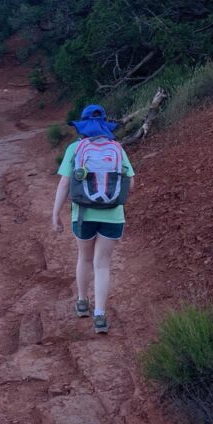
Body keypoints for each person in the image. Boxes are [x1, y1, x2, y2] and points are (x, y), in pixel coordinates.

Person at [51, 104, 135, 334]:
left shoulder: (75, 148)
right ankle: (100, 316)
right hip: (113, 215)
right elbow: (130, 182)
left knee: (85, 258)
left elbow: (65, 183)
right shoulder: (117, 148)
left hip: (83, 214)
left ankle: (81, 302)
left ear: (83, 124)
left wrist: (55, 213)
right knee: (103, 264)